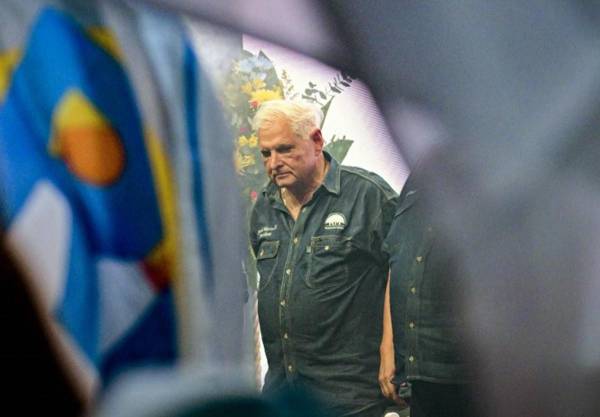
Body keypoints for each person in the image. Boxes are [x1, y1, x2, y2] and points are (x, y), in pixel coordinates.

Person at [249, 99, 398, 417]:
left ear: (316, 141)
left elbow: (405, 269)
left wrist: (392, 346)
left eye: (284, 149)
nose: (273, 163)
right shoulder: (263, 207)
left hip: (349, 398)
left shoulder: (366, 195)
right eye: (266, 153)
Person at [380, 169, 477, 417]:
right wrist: (388, 349)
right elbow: (398, 258)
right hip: (420, 375)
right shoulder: (419, 177)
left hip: (470, 375)